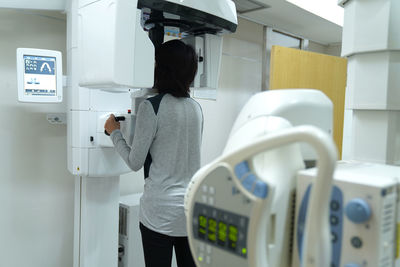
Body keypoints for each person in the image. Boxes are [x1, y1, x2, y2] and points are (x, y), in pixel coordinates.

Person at [104, 39, 203, 267]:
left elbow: (134, 162)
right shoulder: (196, 108)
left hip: (160, 213)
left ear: (161, 68)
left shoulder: (152, 106)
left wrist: (114, 133)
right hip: (190, 209)